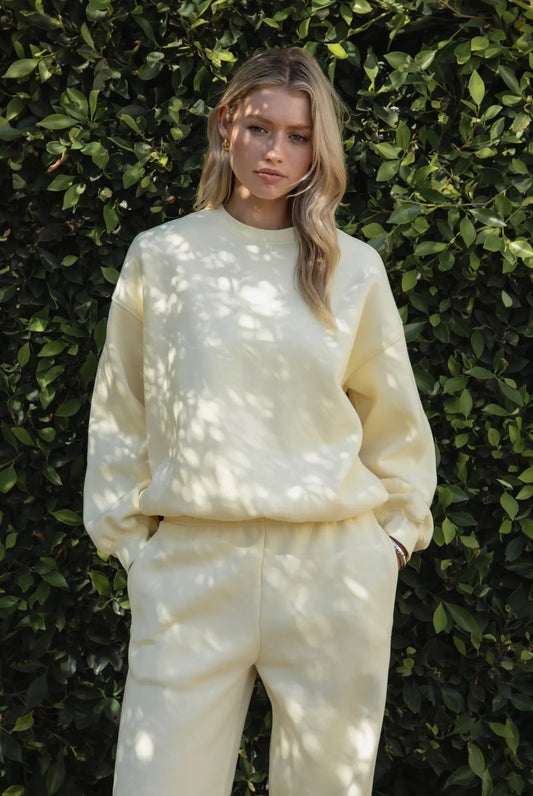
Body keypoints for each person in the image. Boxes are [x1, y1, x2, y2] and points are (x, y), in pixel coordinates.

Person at [83, 46, 436, 796]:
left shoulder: (352, 268)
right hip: (191, 567)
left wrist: (392, 542)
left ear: (319, 147)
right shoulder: (163, 256)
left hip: (332, 569)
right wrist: (134, 550)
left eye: (299, 136)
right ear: (225, 126)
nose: (276, 152)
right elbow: (121, 407)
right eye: (259, 128)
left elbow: (393, 417)